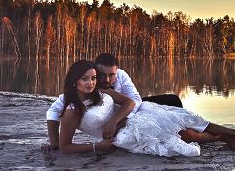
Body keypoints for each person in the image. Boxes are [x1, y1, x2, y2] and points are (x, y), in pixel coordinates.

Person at [52, 60, 235, 157]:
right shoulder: (71, 111)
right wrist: (97, 147)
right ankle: (220, 138)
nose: (91, 83)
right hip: (125, 135)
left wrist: (114, 120)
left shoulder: (103, 92)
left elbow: (131, 102)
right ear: (74, 81)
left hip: (133, 116)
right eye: (85, 79)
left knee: (183, 117)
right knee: (185, 136)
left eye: (93, 78)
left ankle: (231, 132)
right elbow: (65, 147)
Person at [43, 53, 217, 151]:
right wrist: (54, 143)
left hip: (126, 112)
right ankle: (208, 135)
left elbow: (134, 100)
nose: (106, 79)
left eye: (112, 75)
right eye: (100, 76)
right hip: (119, 118)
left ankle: (208, 131)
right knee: (171, 135)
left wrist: (118, 120)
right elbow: (53, 113)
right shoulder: (73, 98)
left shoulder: (120, 76)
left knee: (172, 102)